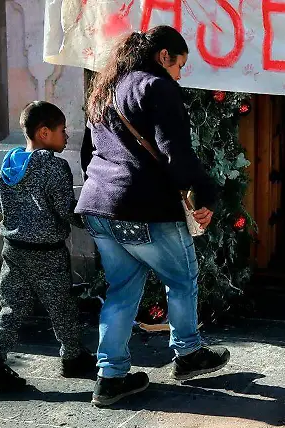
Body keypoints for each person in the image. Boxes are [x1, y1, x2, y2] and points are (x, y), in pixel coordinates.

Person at [79, 25, 229, 407]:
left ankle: (110, 377)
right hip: (141, 206)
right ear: (164, 56)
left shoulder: (105, 87)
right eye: (180, 64)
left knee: (122, 291)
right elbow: (174, 152)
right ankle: (189, 354)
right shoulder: (157, 87)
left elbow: (87, 151)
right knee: (182, 279)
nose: (180, 74)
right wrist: (205, 193)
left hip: (98, 204)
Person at [0, 101, 96, 390]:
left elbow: (4, 206)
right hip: (46, 253)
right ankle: (72, 356)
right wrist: (94, 223)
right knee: (62, 306)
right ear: (43, 133)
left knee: (12, 308)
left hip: (13, 248)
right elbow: (66, 210)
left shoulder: (10, 163)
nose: (66, 137)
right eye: (62, 130)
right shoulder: (54, 166)